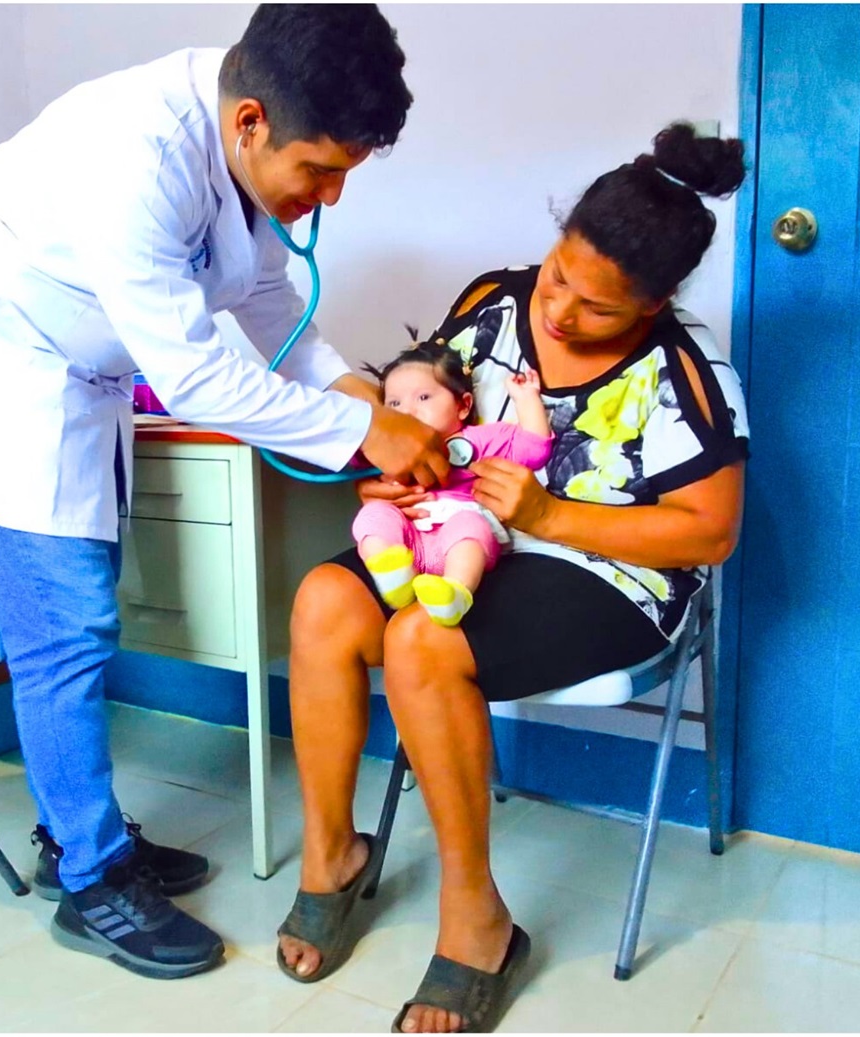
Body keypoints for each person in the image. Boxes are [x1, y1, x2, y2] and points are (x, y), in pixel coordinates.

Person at [0, 4, 451, 982]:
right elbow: (193, 377)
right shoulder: (134, 154)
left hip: (71, 380)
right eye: (321, 170)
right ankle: (90, 880)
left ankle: (85, 834)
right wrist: (368, 430)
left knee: (77, 623)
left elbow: (270, 304)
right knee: (63, 636)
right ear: (252, 123)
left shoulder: (237, 143)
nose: (329, 197)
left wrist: (351, 384)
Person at [276, 122, 749, 1032]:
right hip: (462, 534)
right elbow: (429, 408)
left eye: (598, 307)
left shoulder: (686, 370)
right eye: (560, 273)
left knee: (423, 636)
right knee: (325, 599)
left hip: (609, 572)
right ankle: (331, 856)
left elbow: (711, 533)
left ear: (654, 305)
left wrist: (544, 516)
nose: (561, 312)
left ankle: (477, 922)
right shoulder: (497, 300)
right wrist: (400, 461)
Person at [353, 340, 552, 627]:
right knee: (372, 517)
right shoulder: (388, 448)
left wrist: (526, 399)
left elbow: (535, 449)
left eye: (423, 398)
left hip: (456, 539)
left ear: (463, 405)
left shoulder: (478, 439)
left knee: (471, 525)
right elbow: (351, 458)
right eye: (394, 403)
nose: (406, 411)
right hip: (408, 541)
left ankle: (455, 593)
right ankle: (392, 575)